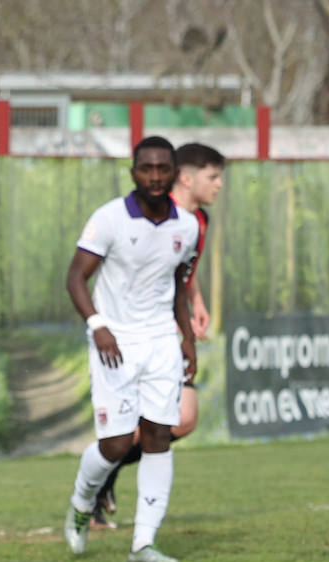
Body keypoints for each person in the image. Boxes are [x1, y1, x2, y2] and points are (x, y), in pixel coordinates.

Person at [62, 136, 199, 562]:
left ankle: (144, 543)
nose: (155, 177)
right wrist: (98, 325)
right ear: (133, 172)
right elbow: (75, 279)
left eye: (163, 168)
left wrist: (187, 339)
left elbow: (177, 286)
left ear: (174, 173)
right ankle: (82, 503)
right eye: (147, 168)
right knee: (118, 443)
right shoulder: (109, 219)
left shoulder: (188, 226)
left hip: (161, 341)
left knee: (160, 434)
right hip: (115, 342)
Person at [91, 142, 224, 528]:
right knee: (157, 423)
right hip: (139, 333)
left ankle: (104, 482)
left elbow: (181, 274)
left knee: (180, 419)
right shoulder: (158, 214)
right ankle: (101, 481)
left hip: (170, 330)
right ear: (186, 176)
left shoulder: (196, 221)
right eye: (212, 177)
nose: (218, 185)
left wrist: (195, 305)